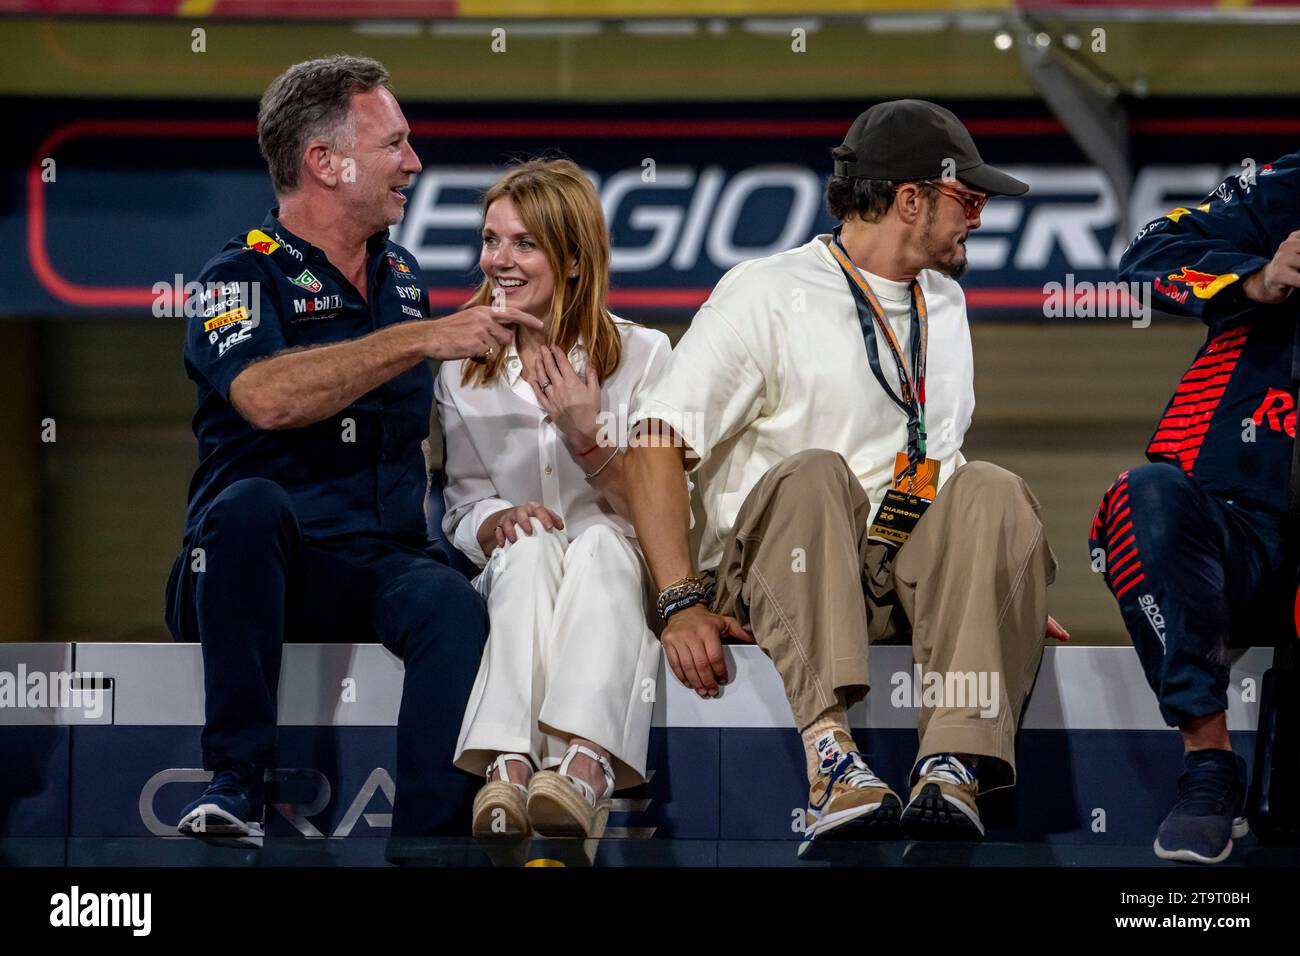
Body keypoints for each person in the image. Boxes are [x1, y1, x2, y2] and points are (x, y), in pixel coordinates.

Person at [624, 99, 1066, 856]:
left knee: (990, 486)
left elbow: (940, 468)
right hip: (777, 578)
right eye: (970, 199)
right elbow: (652, 443)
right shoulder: (764, 293)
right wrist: (679, 603)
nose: (981, 219)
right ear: (909, 199)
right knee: (817, 475)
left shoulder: (947, 303)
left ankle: (949, 762)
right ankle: (831, 758)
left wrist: (998, 584)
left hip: (889, 581)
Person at [164, 55, 542, 846]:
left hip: (374, 562)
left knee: (448, 602)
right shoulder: (236, 276)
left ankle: (429, 845)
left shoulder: (402, 275)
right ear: (325, 163)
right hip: (252, 567)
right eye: (394, 145)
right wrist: (420, 340)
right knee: (250, 506)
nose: (413, 161)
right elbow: (266, 398)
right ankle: (235, 784)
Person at [436, 159, 668, 839]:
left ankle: (583, 769)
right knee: (529, 542)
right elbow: (460, 507)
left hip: (621, 580)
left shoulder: (647, 356)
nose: (499, 261)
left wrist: (587, 437)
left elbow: (667, 518)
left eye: (524, 244)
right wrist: (493, 520)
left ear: (571, 260)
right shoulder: (459, 366)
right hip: (517, 582)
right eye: (491, 240)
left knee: (598, 540)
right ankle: (509, 771)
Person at [1094, 152, 1300, 864]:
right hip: (1236, 533)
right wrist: (1258, 277)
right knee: (1142, 497)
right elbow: (1149, 255)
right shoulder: (1285, 190)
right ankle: (1208, 765)